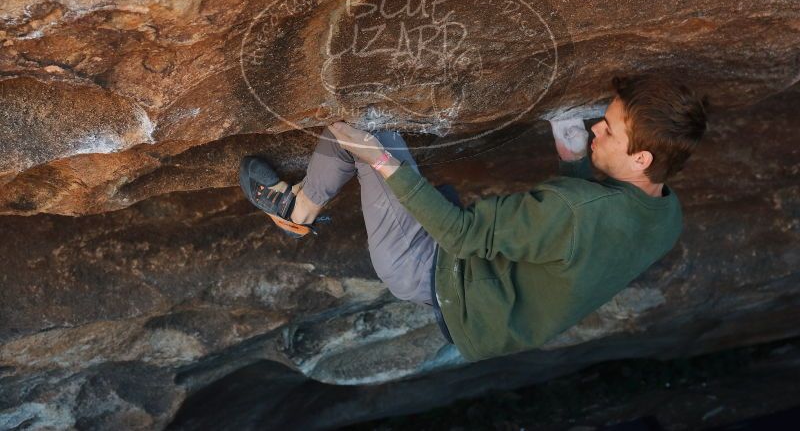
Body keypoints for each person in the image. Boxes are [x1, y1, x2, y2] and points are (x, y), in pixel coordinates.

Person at [239, 75, 709, 362]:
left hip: (428, 268)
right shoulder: (666, 214)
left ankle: (294, 211)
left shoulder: (571, 215)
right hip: (491, 310)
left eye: (607, 130)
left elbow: (462, 235)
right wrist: (570, 147)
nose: (595, 128)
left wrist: (380, 160)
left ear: (642, 158)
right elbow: (587, 222)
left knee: (365, 127)